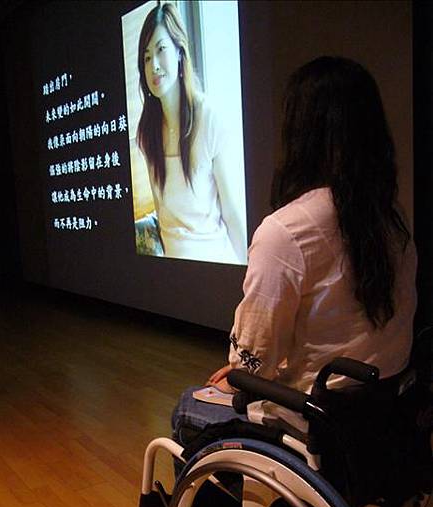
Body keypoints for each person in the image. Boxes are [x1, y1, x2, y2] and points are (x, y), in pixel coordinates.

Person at [172, 56, 417, 444]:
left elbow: (253, 362)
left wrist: (239, 373)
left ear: (300, 132)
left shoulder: (287, 231)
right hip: (383, 415)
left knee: (189, 406)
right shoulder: (391, 218)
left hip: (316, 423)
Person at [136, 2, 247, 264]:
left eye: (161, 49)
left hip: (214, 265)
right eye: (147, 57)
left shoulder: (208, 118)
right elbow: (162, 215)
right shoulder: (147, 133)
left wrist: (248, 272)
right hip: (174, 274)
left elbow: (231, 214)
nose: (154, 66)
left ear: (179, 51)